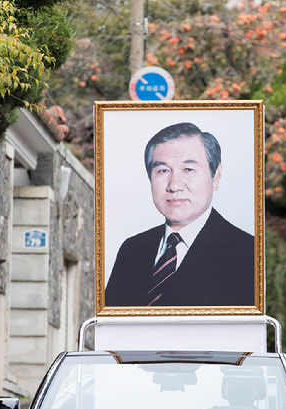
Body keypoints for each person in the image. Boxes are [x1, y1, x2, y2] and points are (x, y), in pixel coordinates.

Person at [104, 121, 255, 306]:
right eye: (163, 170)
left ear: (215, 176)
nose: (174, 185)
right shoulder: (132, 250)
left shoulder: (247, 252)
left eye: (188, 169)